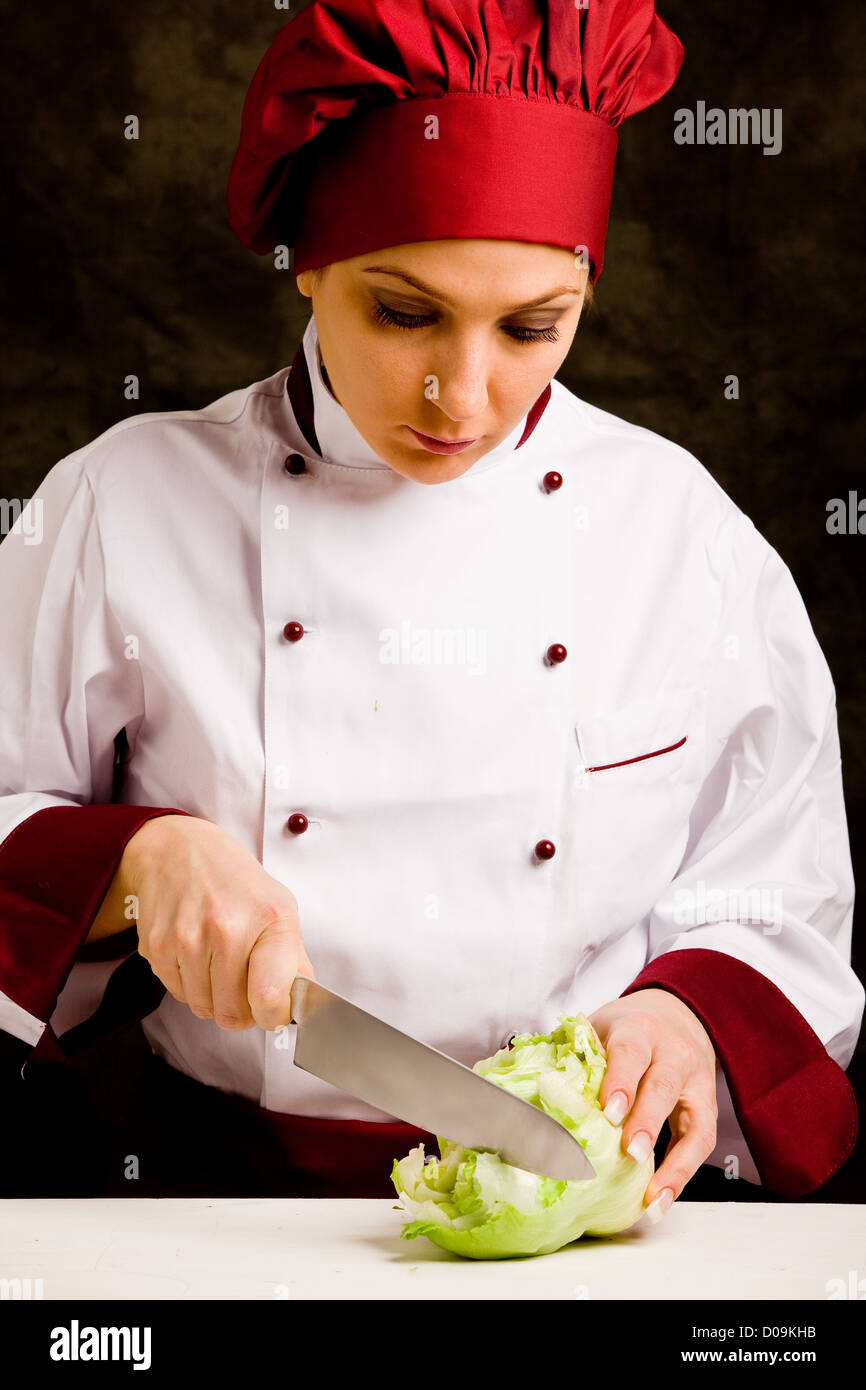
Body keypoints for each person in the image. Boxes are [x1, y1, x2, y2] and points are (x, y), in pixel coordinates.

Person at [0, 0, 861, 1214]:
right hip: (221, 1201)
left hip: (578, 1209)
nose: (463, 394)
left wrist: (686, 1010)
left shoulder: (679, 532)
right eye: (403, 312)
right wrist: (137, 863)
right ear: (306, 259)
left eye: (530, 328)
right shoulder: (119, 503)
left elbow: (773, 881)